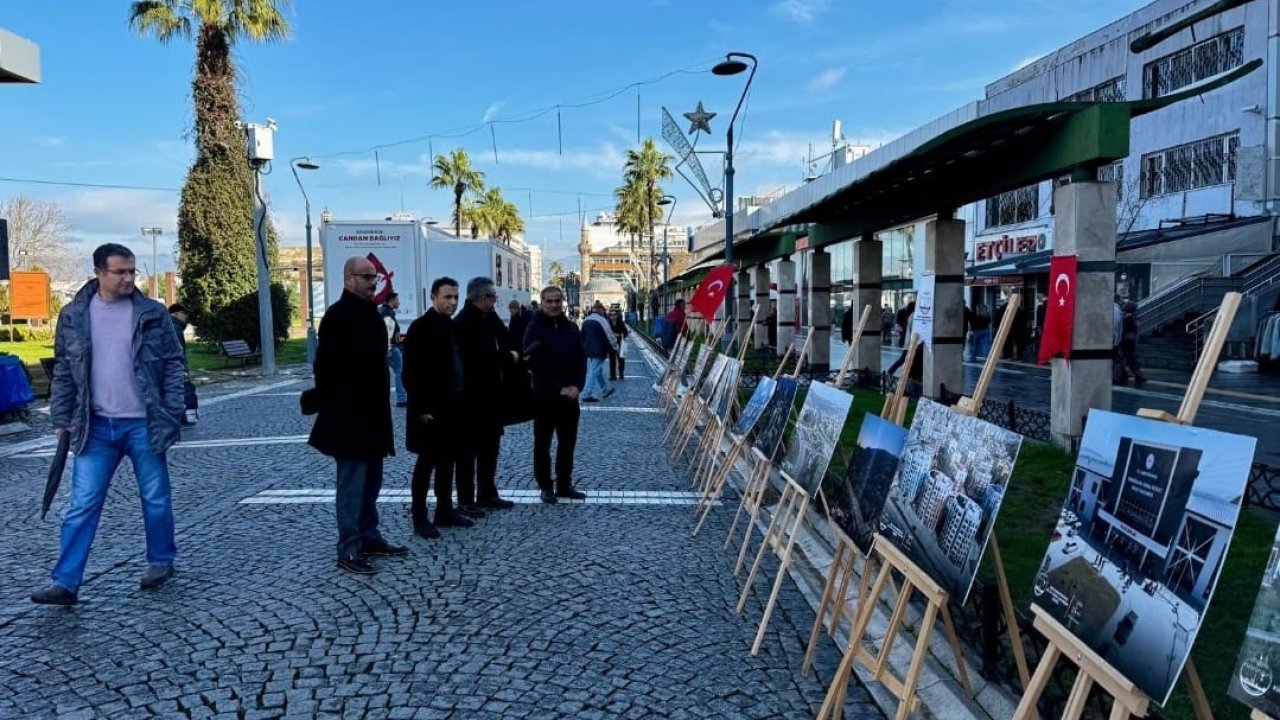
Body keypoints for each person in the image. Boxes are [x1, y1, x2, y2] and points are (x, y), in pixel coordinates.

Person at [32, 243, 186, 605]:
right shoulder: (73, 315)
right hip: (96, 425)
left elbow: (175, 363)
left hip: (143, 424)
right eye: (120, 272)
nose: (129, 278)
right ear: (99, 273)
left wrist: (173, 410)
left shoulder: (151, 313)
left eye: (132, 271)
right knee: (82, 503)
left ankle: (161, 560)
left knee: (155, 497)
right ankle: (65, 582)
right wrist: (61, 418)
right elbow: (65, 371)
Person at [308, 256, 408, 575]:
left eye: (374, 277)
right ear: (348, 278)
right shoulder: (337, 316)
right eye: (366, 277)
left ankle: (369, 536)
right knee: (352, 486)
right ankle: (348, 548)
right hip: (349, 415)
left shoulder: (372, 315)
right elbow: (325, 369)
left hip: (374, 414)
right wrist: (335, 402)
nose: (372, 282)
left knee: (371, 483)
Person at [402, 277, 477, 536]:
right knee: (426, 464)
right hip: (430, 410)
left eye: (455, 297)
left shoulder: (452, 327)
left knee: (448, 461)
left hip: (454, 406)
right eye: (447, 297)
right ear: (434, 297)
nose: (452, 302)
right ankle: (420, 516)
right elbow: (410, 373)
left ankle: (445, 510)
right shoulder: (420, 328)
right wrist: (422, 409)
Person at [453, 277, 517, 512]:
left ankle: (487, 494)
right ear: (482, 298)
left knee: (490, 449)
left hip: (490, 396)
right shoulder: (465, 322)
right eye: (492, 297)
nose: (495, 301)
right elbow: (481, 357)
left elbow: (504, 337)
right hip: (470, 398)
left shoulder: (486, 317)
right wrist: (508, 357)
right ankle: (466, 500)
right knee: (468, 452)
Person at [524, 286, 588, 504]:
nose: (553, 305)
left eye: (557, 301)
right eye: (549, 301)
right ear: (541, 303)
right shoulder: (534, 328)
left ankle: (564, 483)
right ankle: (545, 485)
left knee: (567, 443)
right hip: (545, 397)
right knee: (542, 444)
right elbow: (535, 363)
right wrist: (558, 387)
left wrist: (578, 386)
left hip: (570, 397)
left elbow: (581, 358)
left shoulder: (571, 328)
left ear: (562, 302)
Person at [168, 302, 198, 426]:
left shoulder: (171, 325)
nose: (186, 317)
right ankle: (187, 417)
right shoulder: (174, 327)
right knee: (186, 390)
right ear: (175, 314)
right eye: (184, 313)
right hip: (175, 366)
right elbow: (178, 350)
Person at [581, 301, 616, 403]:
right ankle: (586, 393)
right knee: (594, 371)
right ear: (601, 310)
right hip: (600, 349)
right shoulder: (602, 320)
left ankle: (606, 389)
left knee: (597, 370)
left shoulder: (586, 320)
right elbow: (609, 335)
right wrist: (615, 347)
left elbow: (581, 336)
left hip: (589, 350)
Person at [379, 292, 407, 407]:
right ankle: (401, 399)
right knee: (400, 373)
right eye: (397, 300)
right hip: (392, 348)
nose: (399, 302)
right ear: (392, 300)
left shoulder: (383, 311)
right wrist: (388, 348)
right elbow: (387, 332)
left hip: (387, 348)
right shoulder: (387, 313)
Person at [1116, 299, 1147, 385]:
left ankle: (1122, 375)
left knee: (1123, 359)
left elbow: (1123, 329)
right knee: (1131, 359)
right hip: (1131, 341)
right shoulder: (1134, 318)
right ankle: (1137, 375)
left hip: (1126, 341)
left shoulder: (1127, 318)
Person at [608, 307, 629, 381]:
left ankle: (621, 373)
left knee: (621, 359)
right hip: (611, 344)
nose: (613, 316)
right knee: (612, 360)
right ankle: (612, 375)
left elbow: (626, 333)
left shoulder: (620, 323)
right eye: (611, 315)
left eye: (614, 315)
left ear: (617, 315)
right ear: (610, 316)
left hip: (620, 343)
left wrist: (619, 335)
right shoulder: (608, 323)